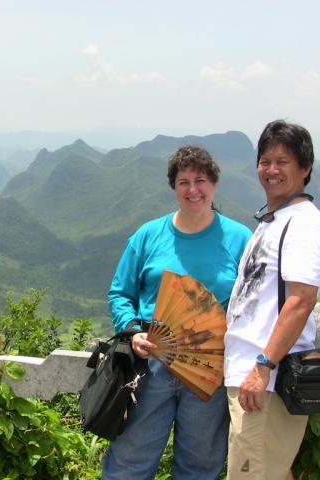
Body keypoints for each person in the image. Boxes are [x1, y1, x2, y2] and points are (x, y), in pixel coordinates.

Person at [102, 145, 252, 480]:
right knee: (129, 461)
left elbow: (254, 303)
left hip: (210, 367)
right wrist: (132, 330)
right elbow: (120, 292)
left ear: (214, 184)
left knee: (199, 466)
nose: (193, 190)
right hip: (150, 363)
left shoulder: (240, 239)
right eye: (184, 182)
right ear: (174, 187)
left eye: (200, 181)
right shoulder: (148, 235)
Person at [224, 120, 320, 480]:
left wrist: (262, 367)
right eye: (265, 161)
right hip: (253, 378)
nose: (272, 170)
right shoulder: (272, 221)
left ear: (305, 169)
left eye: (283, 161)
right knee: (269, 471)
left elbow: (301, 302)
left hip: (266, 380)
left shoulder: (304, 224)